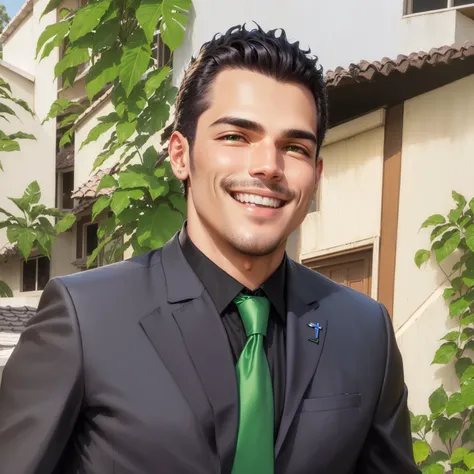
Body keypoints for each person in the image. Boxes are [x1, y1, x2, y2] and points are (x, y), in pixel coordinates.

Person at [0, 25, 419, 474]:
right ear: (181, 155)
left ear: (316, 174)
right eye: (236, 137)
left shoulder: (362, 329)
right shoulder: (85, 318)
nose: (267, 167)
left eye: (294, 147)